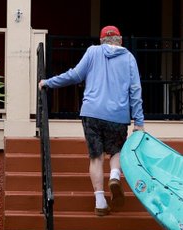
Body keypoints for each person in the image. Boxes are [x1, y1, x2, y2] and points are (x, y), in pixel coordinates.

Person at [39, 25, 144, 216]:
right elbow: (135, 91)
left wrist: (49, 82)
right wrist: (139, 122)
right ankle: (114, 177)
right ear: (120, 40)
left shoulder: (92, 52)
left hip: (92, 113)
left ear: (101, 40)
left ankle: (100, 202)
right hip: (118, 115)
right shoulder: (129, 58)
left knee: (96, 157)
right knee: (116, 151)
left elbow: (75, 75)